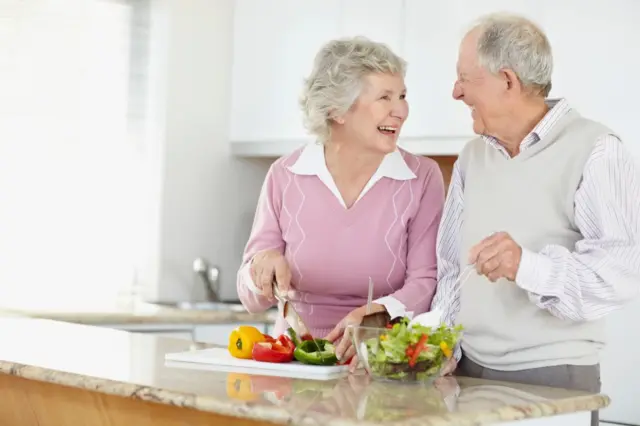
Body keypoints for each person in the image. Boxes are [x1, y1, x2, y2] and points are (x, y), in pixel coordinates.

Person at [430, 13, 640, 426]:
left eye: (464, 78)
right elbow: (453, 269)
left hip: (553, 378)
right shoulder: (473, 157)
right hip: (465, 375)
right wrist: (442, 346)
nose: (455, 92)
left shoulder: (596, 149)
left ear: (507, 80)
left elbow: (621, 272)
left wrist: (526, 266)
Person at [236, 37, 445, 370]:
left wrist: (377, 314)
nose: (401, 110)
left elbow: (427, 282)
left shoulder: (421, 178)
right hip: (293, 362)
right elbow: (250, 296)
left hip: (379, 364)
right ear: (337, 110)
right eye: (384, 97)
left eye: (402, 96)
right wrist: (260, 268)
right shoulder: (285, 175)